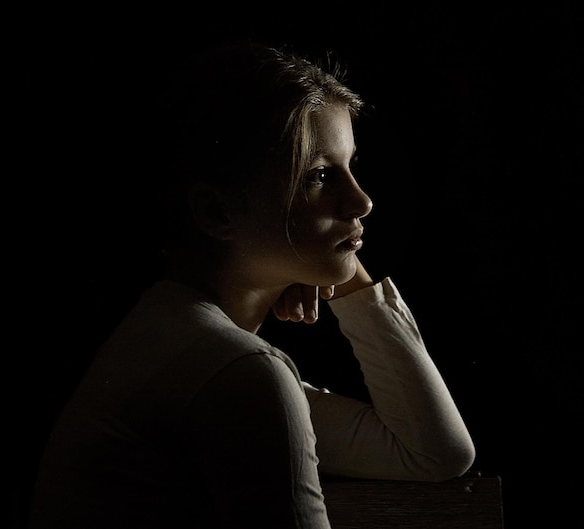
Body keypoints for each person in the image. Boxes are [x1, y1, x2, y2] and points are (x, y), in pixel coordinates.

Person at [28, 39, 476, 529]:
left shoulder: (174, 333)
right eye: (322, 175)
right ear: (217, 212)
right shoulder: (239, 372)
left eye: (352, 167)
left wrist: (343, 274)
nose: (362, 201)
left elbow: (435, 453)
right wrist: (335, 261)